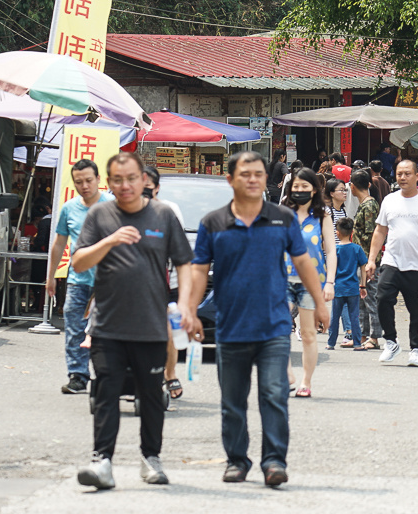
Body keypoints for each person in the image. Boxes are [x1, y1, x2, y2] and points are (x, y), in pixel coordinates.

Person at [183, 151, 329, 488]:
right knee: (232, 401)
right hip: (230, 326)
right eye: (245, 174)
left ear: (266, 179)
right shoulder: (212, 222)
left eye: (258, 174)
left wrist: (320, 303)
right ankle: (237, 461)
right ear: (230, 179)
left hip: (274, 325)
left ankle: (274, 461)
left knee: (274, 395)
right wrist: (190, 310)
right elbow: (199, 269)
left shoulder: (283, 219)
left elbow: (304, 262)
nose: (252, 179)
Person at [70, 153, 194, 489]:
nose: (125, 186)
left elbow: (184, 261)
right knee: (106, 393)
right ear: (109, 183)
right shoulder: (100, 214)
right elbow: (79, 262)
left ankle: (150, 459)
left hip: (152, 326)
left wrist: (183, 303)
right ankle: (102, 462)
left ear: (143, 180)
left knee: (151, 397)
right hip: (108, 326)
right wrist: (109, 240)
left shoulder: (163, 215)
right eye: (117, 180)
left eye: (131, 178)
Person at [44, 159, 114, 396]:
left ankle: (107, 375)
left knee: (107, 331)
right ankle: (78, 376)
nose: (84, 186)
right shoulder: (69, 208)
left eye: (88, 180)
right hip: (78, 280)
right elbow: (59, 243)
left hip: (109, 281)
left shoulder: (113, 205)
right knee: (74, 328)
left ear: (99, 180)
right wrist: (51, 276)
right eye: (78, 182)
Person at [367, 160, 418, 367]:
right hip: (392, 262)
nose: (402, 177)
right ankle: (391, 342)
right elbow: (380, 230)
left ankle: (416, 350)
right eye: (399, 174)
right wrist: (371, 260)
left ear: (417, 177)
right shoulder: (389, 201)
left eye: (407, 174)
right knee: (382, 299)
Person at [285, 168, 336, 398]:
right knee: (280, 330)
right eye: (296, 186)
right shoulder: (282, 212)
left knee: (308, 333)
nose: (300, 190)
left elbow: (331, 251)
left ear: (314, 189)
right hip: (282, 279)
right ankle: (286, 375)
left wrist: (330, 283)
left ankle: (306, 382)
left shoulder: (323, 214)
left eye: (305, 187)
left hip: (312, 281)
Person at [143, 165, 188, 404]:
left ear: (157, 188)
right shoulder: (123, 209)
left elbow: (179, 249)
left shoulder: (169, 210)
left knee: (169, 331)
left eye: (148, 186)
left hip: (167, 281)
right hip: (137, 283)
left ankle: (170, 374)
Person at [351, 170, 383, 349]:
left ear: (353, 187)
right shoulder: (364, 205)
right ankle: (362, 335)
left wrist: (370, 261)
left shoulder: (369, 206)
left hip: (368, 261)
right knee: (362, 299)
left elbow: (373, 236)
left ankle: (375, 337)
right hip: (361, 260)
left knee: (370, 298)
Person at [326, 218, 367, 351]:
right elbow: (363, 266)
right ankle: (357, 343)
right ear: (352, 232)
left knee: (335, 317)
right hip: (353, 288)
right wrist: (363, 285)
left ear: (337, 233)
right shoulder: (357, 249)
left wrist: (329, 283)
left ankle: (331, 343)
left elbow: (329, 268)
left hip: (338, 287)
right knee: (354, 316)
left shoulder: (334, 250)